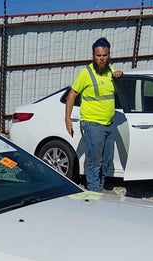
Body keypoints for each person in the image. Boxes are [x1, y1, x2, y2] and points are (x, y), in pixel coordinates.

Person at [64, 37, 123, 192]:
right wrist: (67, 119)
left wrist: (120, 76)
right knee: (94, 160)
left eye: (104, 55)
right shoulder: (86, 73)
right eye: (98, 55)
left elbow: (119, 90)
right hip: (92, 124)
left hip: (109, 124)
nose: (101, 58)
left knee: (106, 161)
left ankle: (100, 187)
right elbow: (71, 95)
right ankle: (93, 191)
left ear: (109, 55)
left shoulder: (111, 71)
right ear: (93, 56)